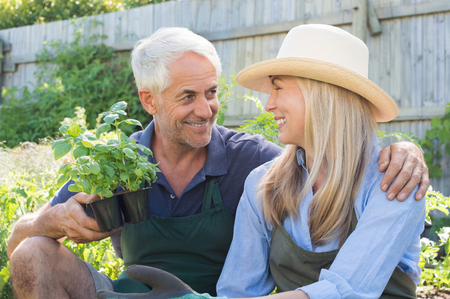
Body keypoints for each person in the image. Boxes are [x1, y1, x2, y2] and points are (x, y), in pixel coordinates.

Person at [7, 27, 428, 298]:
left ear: (325, 97)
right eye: (188, 96)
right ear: (148, 100)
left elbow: (348, 285)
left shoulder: (254, 163)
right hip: (141, 293)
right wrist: (53, 221)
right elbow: (15, 242)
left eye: (211, 93)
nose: (207, 110)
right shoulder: (119, 163)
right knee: (31, 253)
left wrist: (408, 152)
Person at [216, 24, 426, 299]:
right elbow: (237, 291)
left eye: (278, 88)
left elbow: (347, 291)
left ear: (322, 94)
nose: (269, 104)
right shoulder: (263, 184)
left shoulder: (394, 179)